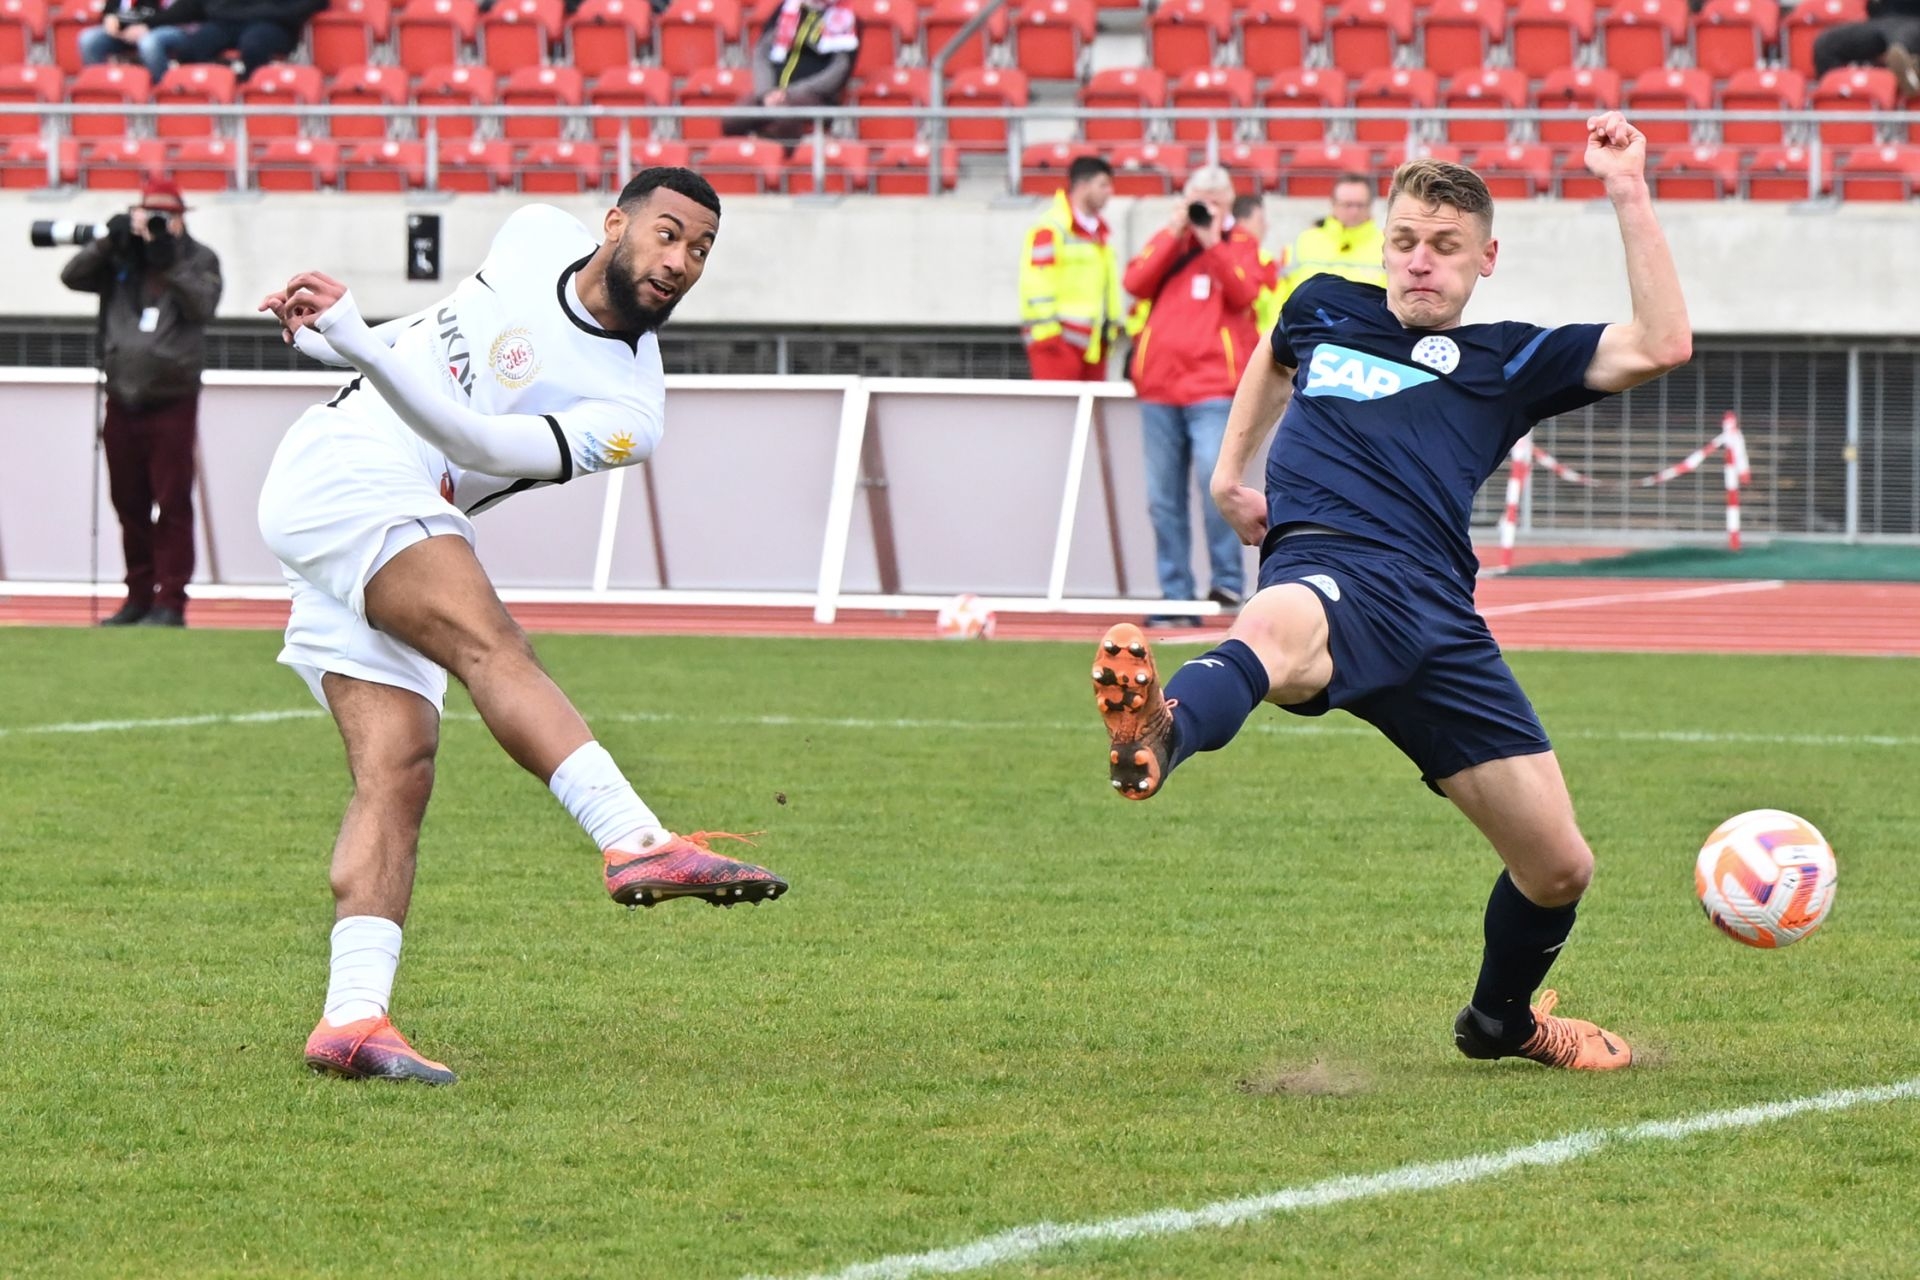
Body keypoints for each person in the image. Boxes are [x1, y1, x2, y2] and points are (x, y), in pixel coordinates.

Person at [1090, 113, 1691, 1072]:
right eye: (1405, 240)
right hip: (1329, 566)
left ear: (1485, 259)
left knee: (1558, 866)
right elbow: (1274, 354)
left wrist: (1626, 189)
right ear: (1383, 244)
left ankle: (1500, 1023)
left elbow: (1662, 343)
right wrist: (1229, 475)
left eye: (1445, 247)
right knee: (1273, 629)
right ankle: (1161, 730)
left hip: (1441, 620)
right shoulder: (1324, 304)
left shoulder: (1507, 362)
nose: (1420, 261)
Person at [255, 168, 789, 1087]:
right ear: (614, 223)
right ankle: (635, 840)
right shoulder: (534, 229)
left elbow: (476, 443)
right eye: (667, 234)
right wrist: (352, 342)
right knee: (491, 646)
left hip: (391, 497)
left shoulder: (632, 412)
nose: (681, 262)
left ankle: (351, 1019)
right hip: (345, 463)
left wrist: (358, 344)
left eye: (701, 250)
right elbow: (437, 338)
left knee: (398, 768)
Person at [60, 176, 222, 628]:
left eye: (166, 216)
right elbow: (72, 277)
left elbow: (203, 305)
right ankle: (137, 595)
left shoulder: (199, 258)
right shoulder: (121, 256)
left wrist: (168, 260)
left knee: (172, 502)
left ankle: (170, 599)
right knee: (128, 502)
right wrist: (108, 242)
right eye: (151, 214)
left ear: (181, 218)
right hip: (122, 397)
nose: (157, 223)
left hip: (172, 398)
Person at [1121, 165, 1275, 626]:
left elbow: (1245, 291)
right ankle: (1176, 595)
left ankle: (1227, 583)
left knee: (1217, 484)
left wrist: (1212, 241)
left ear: (1228, 203)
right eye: (1198, 200)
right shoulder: (1170, 241)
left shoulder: (1241, 244)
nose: (1206, 208)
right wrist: (1175, 230)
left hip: (1213, 388)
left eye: (1214, 200)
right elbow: (1134, 282)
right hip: (1160, 388)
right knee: (1162, 498)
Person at [1019, 155, 1122, 382]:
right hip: (1058, 344)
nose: (1109, 192)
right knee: (1058, 406)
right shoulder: (1052, 228)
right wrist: (1049, 336)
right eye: (1103, 185)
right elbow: (1037, 284)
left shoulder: (1098, 233)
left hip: (1093, 344)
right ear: (1083, 186)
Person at [723, 0, 859, 141]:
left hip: (814, 95)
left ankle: (778, 152)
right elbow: (762, 53)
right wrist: (766, 92)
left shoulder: (846, 19)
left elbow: (839, 69)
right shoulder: (786, 9)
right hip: (772, 90)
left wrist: (789, 93)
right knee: (735, 119)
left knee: (782, 119)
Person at [138, 0, 327, 81]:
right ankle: (205, 94)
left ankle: (252, 96)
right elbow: (191, 6)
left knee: (254, 45)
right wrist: (148, 23)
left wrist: (283, 15)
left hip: (272, 23)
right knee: (192, 47)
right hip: (225, 22)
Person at [1277, 171, 1385, 304]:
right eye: (1347, 205)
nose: (1354, 211)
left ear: (1371, 205)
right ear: (1333, 204)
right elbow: (1282, 292)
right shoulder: (1304, 241)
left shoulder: (1385, 245)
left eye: (1360, 205)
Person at [1811, 0, 1920, 95]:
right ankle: (1838, 92)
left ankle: (1911, 81)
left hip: (1914, 19)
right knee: (1826, 45)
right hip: (1880, 20)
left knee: (1899, 48)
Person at [1232, 192, 1288, 341]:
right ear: (1242, 222)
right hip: (1257, 340)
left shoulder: (1263, 259)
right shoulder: (1262, 261)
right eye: (1260, 220)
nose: (1266, 226)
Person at [78, 0, 177, 83]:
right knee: (89, 39)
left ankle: (161, 88)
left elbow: (174, 13)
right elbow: (110, 9)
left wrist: (148, 26)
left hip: (160, 28)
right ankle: (100, 87)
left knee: (149, 43)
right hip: (123, 29)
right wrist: (109, 17)